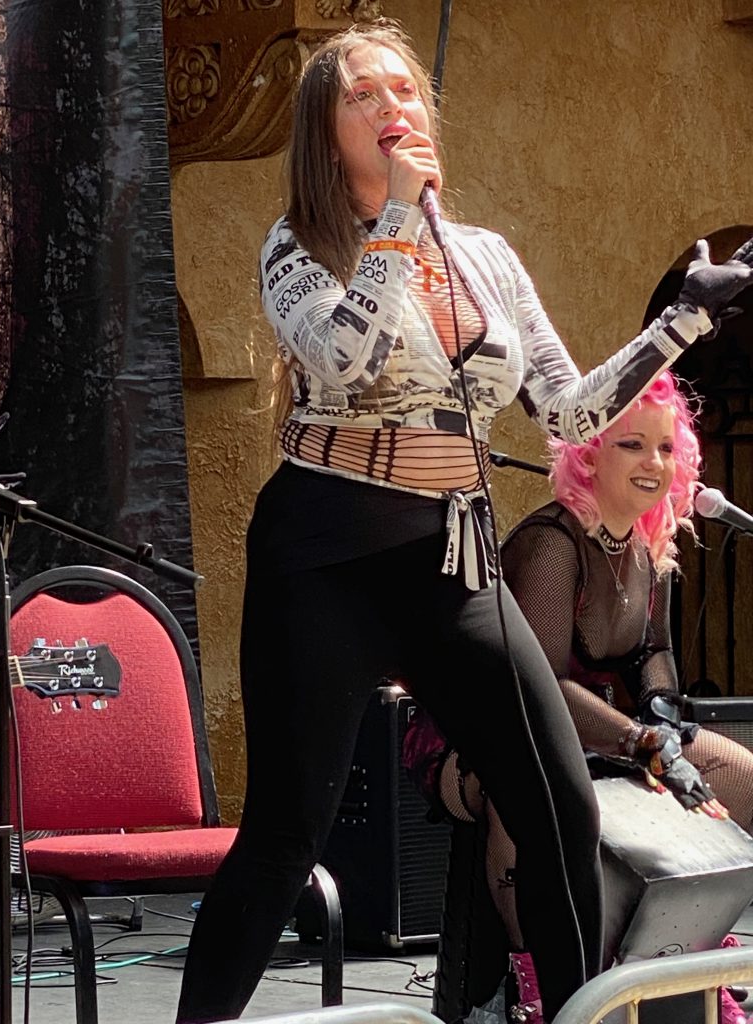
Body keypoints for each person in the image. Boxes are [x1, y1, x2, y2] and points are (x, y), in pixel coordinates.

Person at [175, 20, 753, 1024]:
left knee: (560, 805)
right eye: (362, 95)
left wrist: (681, 324)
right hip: (326, 556)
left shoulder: (486, 257)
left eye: (404, 88)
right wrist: (399, 215)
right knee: (285, 835)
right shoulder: (297, 247)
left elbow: (567, 413)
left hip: (450, 556)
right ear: (325, 132)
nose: (392, 105)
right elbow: (346, 361)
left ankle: (575, 1017)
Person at [410, 371, 753, 1024]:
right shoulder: (552, 542)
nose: (654, 463)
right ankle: (540, 985)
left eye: (665, 447)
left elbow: (653, 654)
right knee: (530, 791)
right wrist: (641, 742)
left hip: (598, 728)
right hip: (488, 728)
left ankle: (689, 965)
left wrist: (661, 720)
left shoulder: (648, 541)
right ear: (589, 455)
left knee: (742, 779)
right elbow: (539, 687)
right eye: (632, 445)